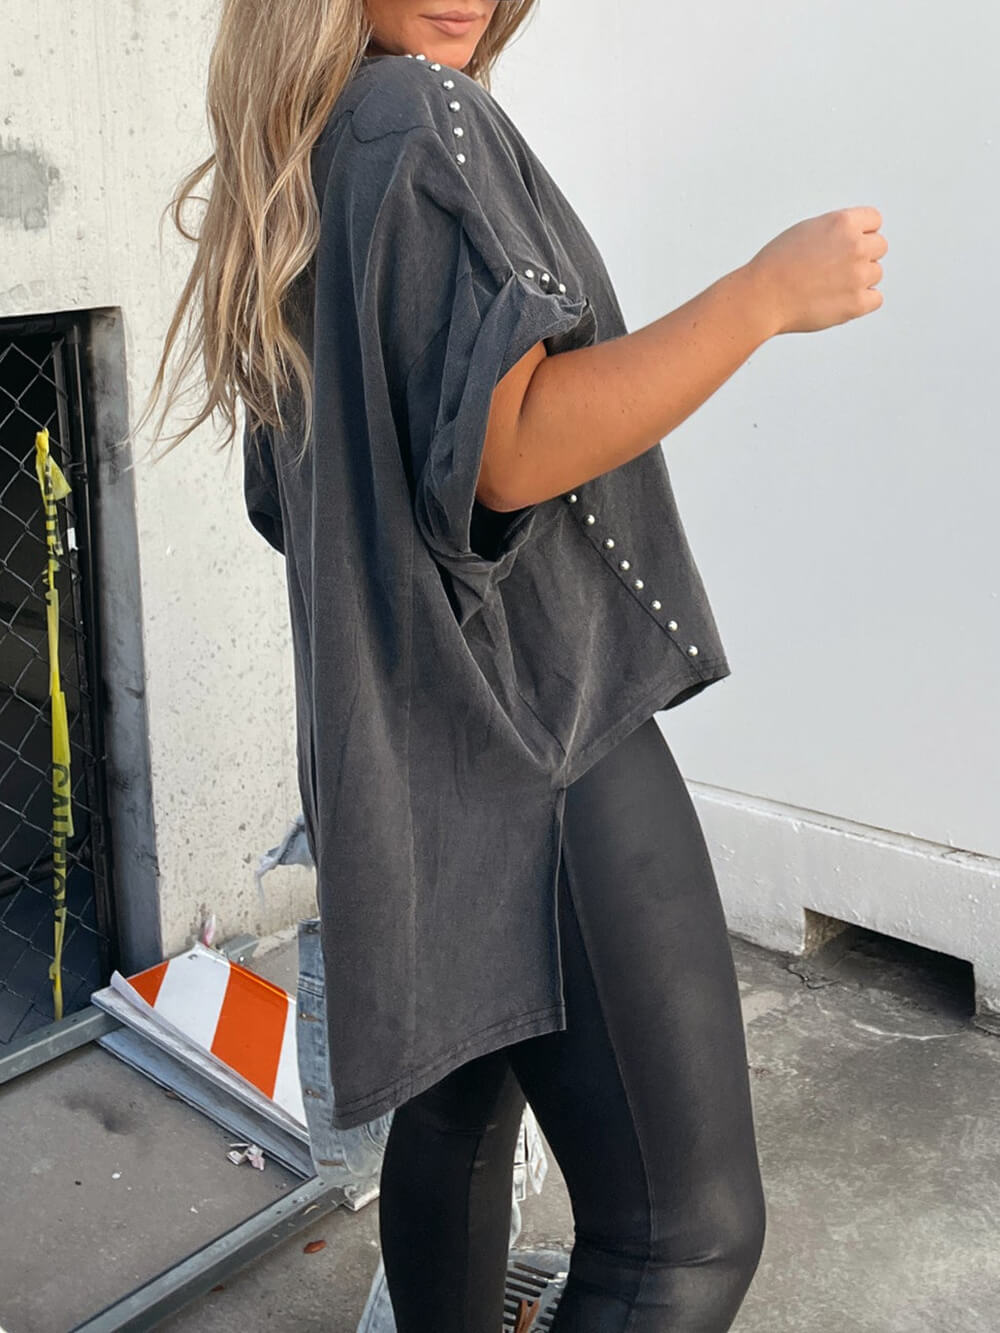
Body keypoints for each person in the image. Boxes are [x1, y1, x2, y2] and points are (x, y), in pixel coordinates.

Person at [138, 2, 887, 1328]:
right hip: (536, 742)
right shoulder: (417, 116)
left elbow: (300, 503)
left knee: (456, 1124)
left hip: (405, 768)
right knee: (683, 1240)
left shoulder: (311, 156)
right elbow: (514, 449)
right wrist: (766, 295)